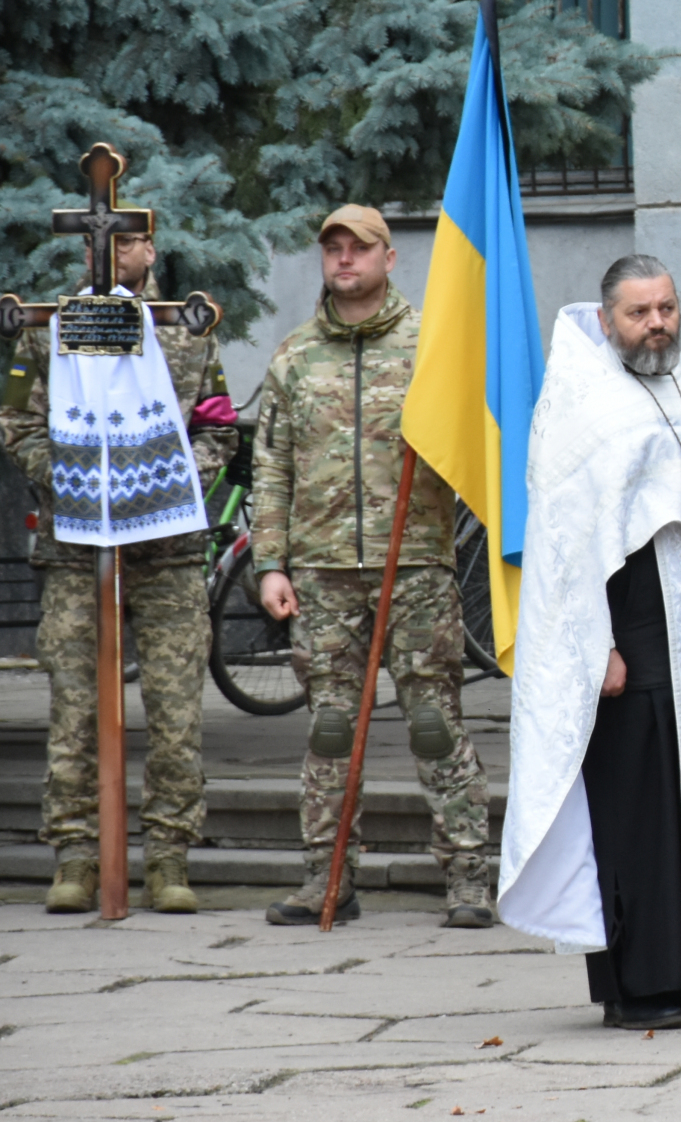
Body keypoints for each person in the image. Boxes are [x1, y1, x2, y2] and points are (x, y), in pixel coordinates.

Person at [497, 255, 681, 1030]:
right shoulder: (582, 403)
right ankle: (638, 984)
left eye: (666, 307)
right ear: (608, 321)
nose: (657, 324)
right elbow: (568, 544)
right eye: (640, 313)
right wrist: (595, 645)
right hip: (629, 630)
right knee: (640, 814)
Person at [253, 207, 491, 927]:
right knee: (331, 726)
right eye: (333, 248)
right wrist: (270, 564)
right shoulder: (295, 357)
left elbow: (476, 439)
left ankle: (469, 878)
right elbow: (272, 469)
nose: (344, 259)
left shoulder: (432, 346)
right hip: (321, 572)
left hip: (414, 564)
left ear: (389, 258)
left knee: (433, 722)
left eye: (359, 248)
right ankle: (326, 878)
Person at [1, 227, 233, 915]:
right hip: (76, 553)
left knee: (175, 711)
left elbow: (218, 425)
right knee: (74, 710)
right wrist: (76, 485)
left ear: (151, 250)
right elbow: (17, 422)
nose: (110, 251)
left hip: (167, 553)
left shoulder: (185, 329)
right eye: (99, 241)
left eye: (128, 241)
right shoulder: (48, 330)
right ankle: (75, 855)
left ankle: (168, 856)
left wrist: (161, 486)